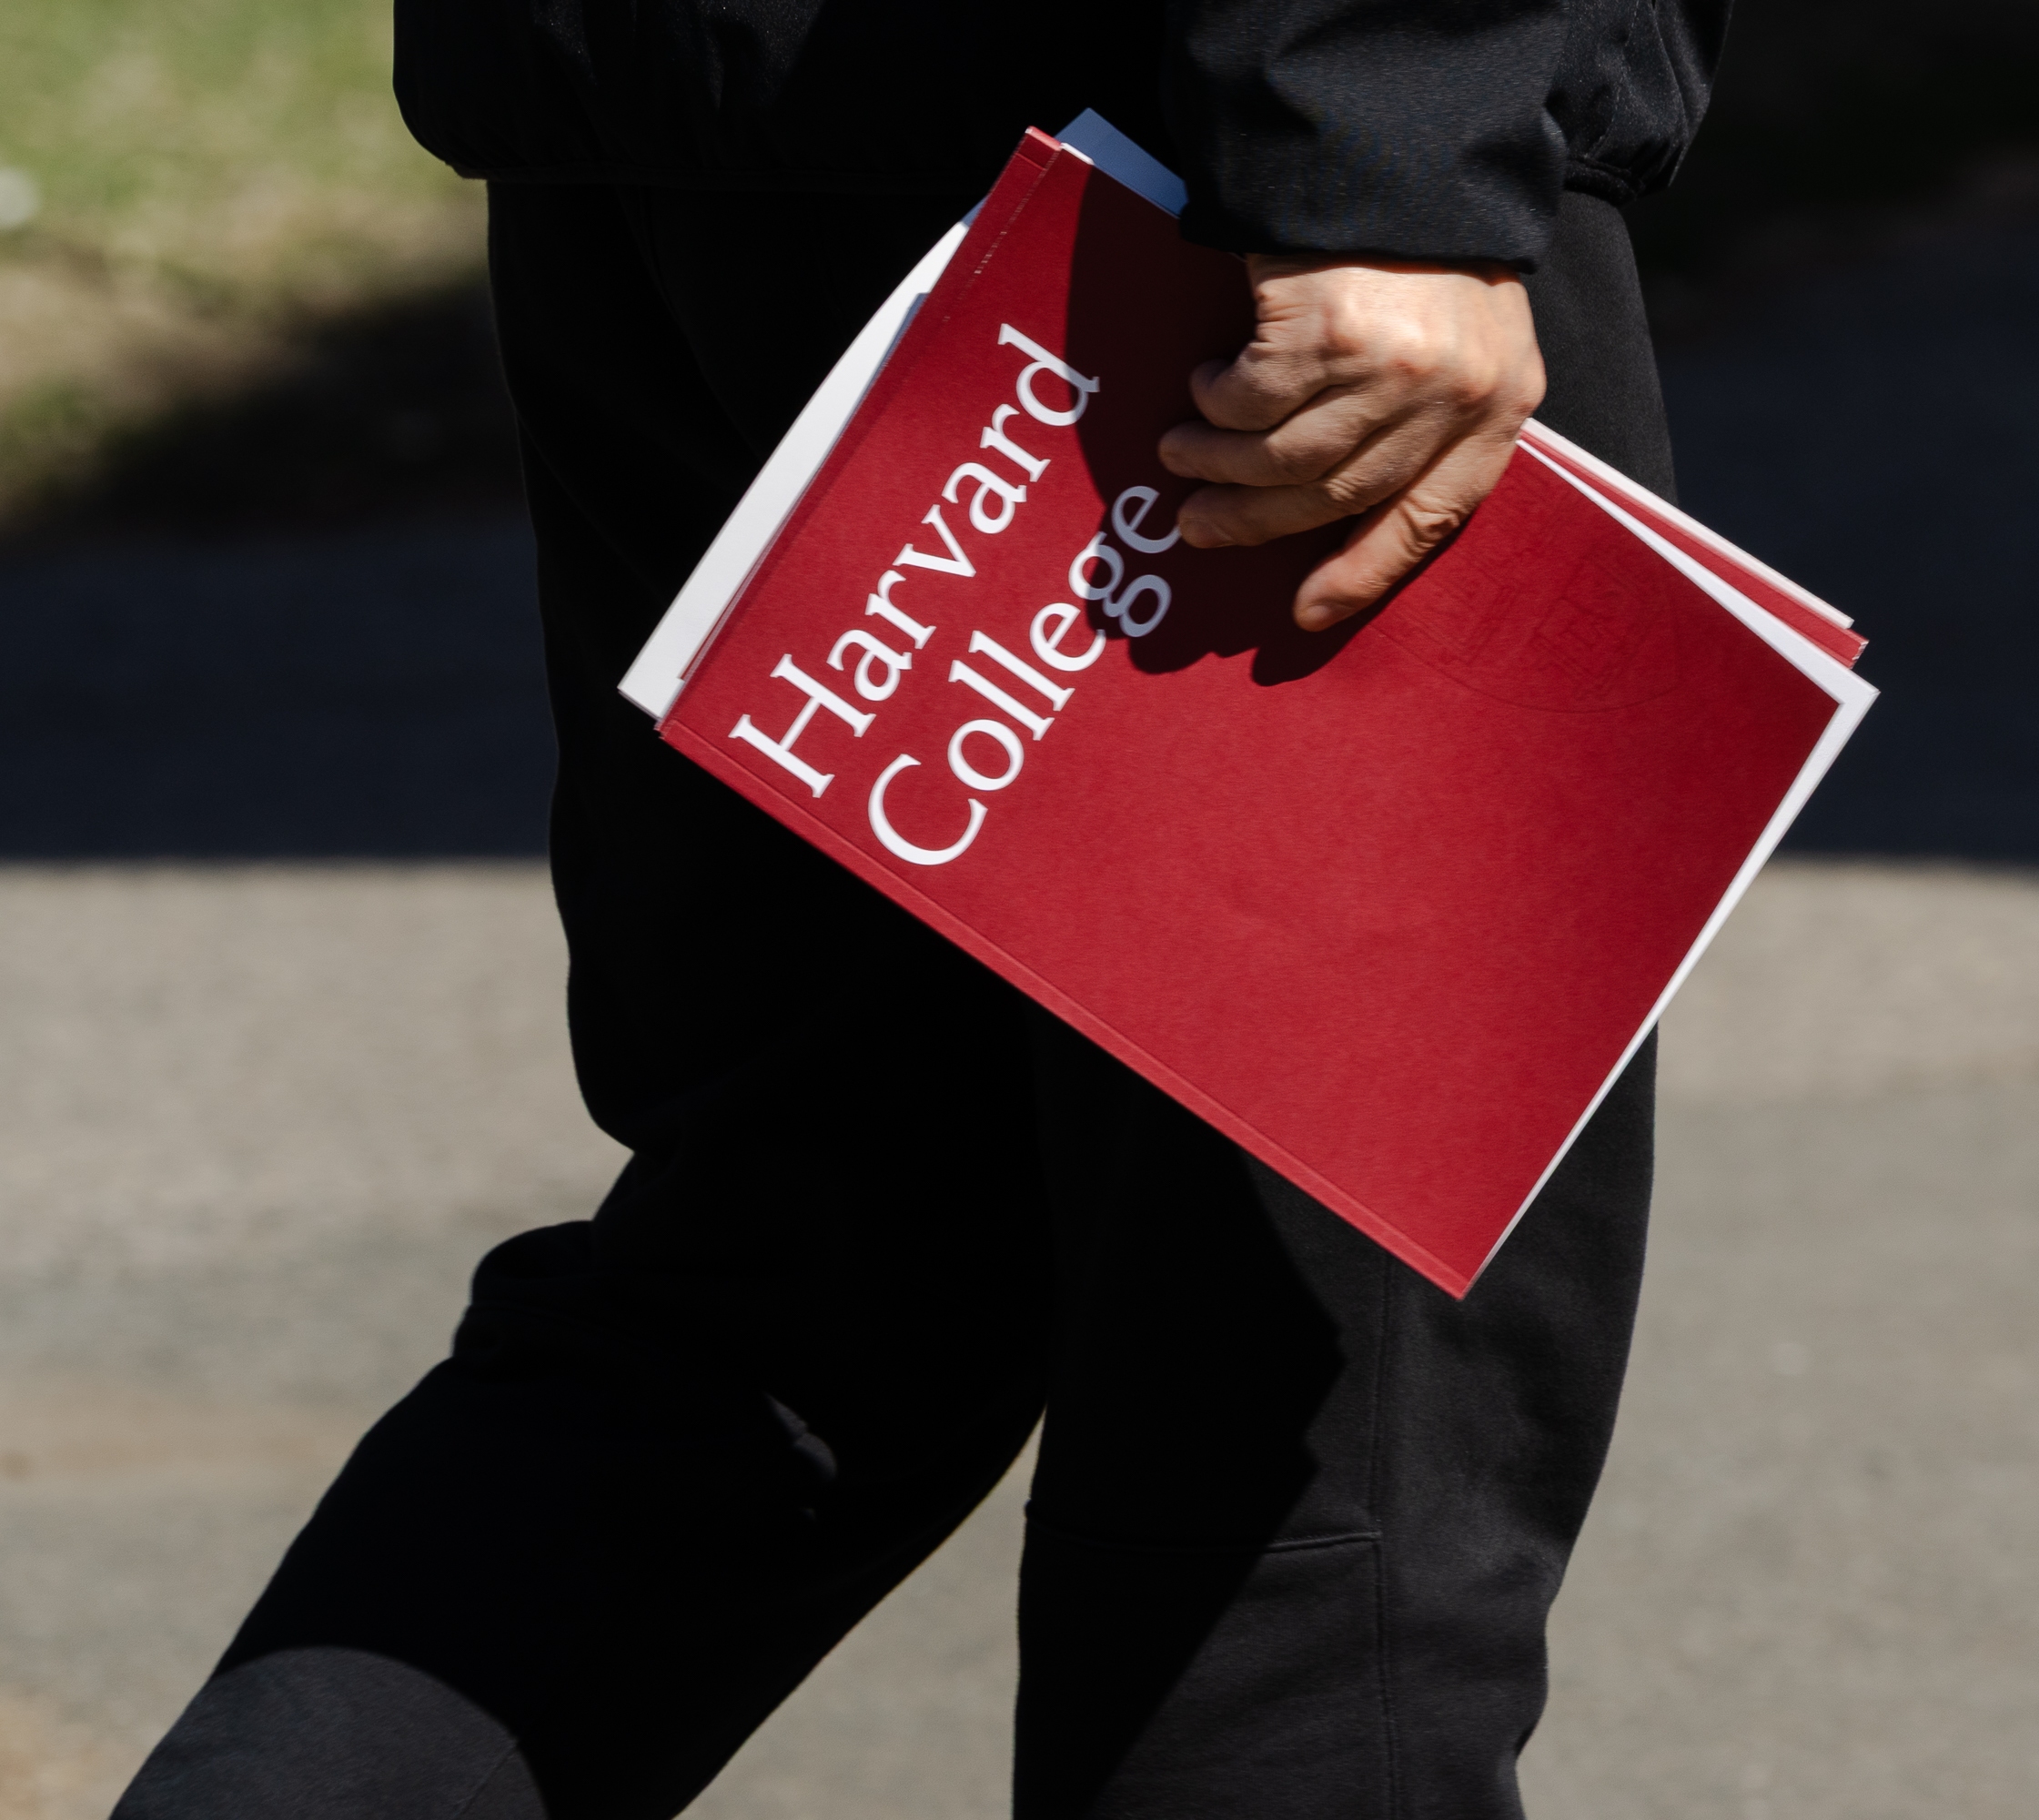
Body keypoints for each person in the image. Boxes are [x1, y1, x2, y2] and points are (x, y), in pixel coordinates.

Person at [113, 1, 1726, 1814]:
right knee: (1310, 1436)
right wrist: (1386, 147)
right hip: (1203, 177)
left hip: (679, 121)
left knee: (795, 1286)